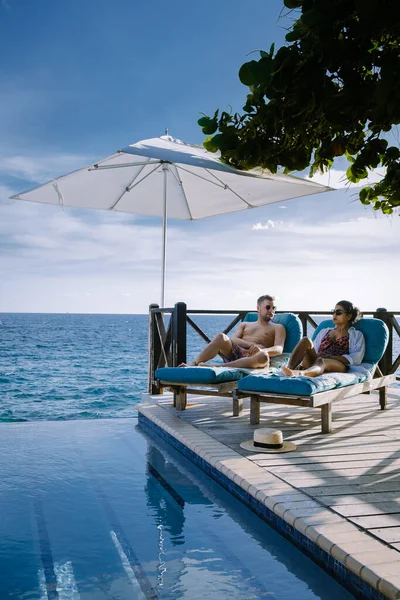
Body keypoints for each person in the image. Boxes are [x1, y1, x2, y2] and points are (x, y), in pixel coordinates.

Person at [180, 295, 286, 369]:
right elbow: (233, 339)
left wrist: (262, 350)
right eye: (268, 307)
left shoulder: (278, 327)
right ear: (258, 308)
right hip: (237, 352)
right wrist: (251, 345)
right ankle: (193, 363)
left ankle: (217, 367)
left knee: (263, 357)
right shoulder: (245, 324)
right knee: (221, 337)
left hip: (255, 357)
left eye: (274, 308)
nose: (271, 310)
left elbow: (279, 348)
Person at [282, 300, 365, 378]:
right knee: (305, 340)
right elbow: (314, 349)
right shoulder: (324, 331)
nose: (334, 315)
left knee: (322, 361)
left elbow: (356, 358)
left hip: (338, 364)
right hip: (317, 360)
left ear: (349, 316)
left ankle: (301, 373)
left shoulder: (356, 335)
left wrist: (331, 357)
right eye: (333, 312)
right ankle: (289, 369)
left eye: (338, 312)